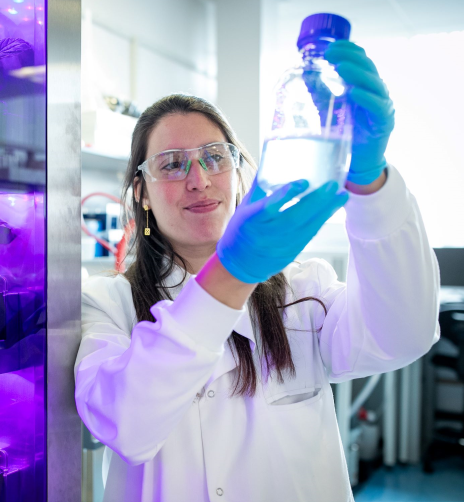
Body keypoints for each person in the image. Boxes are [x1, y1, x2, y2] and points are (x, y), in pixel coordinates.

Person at [74, 41, 440, 502]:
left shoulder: (304, 289)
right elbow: (127, 423)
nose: (199, 179)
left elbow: (403, 334)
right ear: (141, 192)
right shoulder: (107, 304)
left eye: (214, 157)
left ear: (237, 171)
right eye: (171, 164)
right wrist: (233, 272)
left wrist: (371, 180)